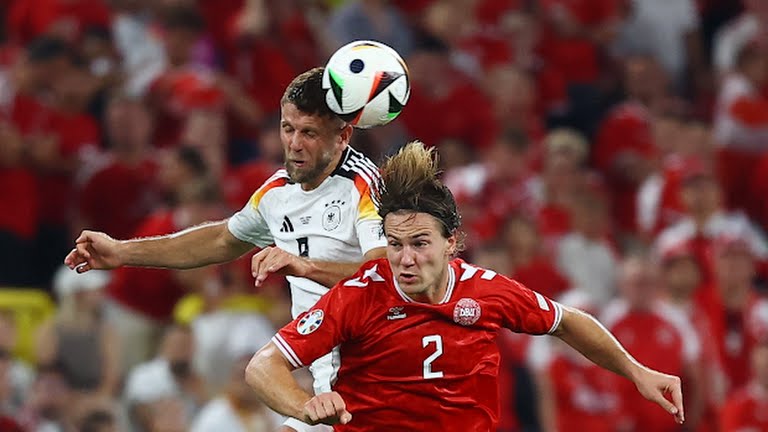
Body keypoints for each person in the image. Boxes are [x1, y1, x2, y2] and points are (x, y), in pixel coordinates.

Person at [245, 141, 685, 430]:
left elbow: (566, 322)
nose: (405, 258)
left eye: (420, 243)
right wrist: (305, 405)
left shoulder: (485, 290)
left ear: (451, 243)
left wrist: (636, 371)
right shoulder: (361, 294)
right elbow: (263, 366)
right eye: (395, 244)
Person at [65, 66, 387, 432]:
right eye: (288, 129)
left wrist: (304, 266)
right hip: (329, 383)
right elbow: (221, 240)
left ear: (342, 135)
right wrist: (122, 252)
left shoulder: (363, 185)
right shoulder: (276, 192)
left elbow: (382, 274)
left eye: (309, 133)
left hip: (378, 375)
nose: (295, 144)